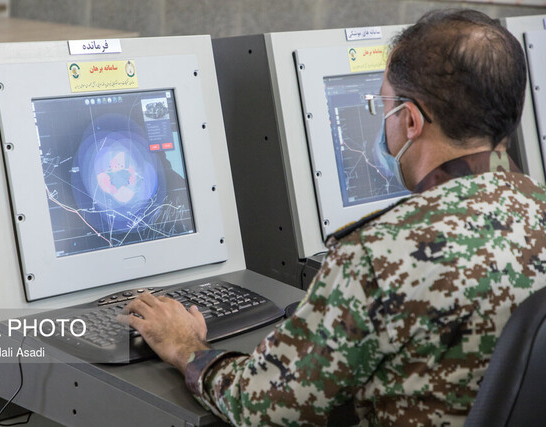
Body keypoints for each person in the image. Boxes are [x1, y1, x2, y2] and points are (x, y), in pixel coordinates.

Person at [122, 9, 546, 426]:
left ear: (411, 119)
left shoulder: (379, 254)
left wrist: (187, 347)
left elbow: (263, 406)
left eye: (384, 106)